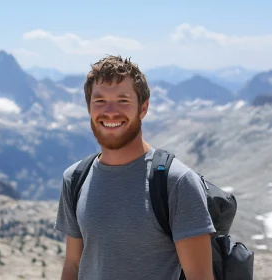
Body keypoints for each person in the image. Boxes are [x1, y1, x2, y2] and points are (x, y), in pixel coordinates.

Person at [54, 55, 216, 280]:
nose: (110, 111)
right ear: (89, 108)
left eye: (123, 101)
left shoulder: (176, 182)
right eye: (99, 101)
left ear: (143, 108)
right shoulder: (75, 178)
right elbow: (72, 265)